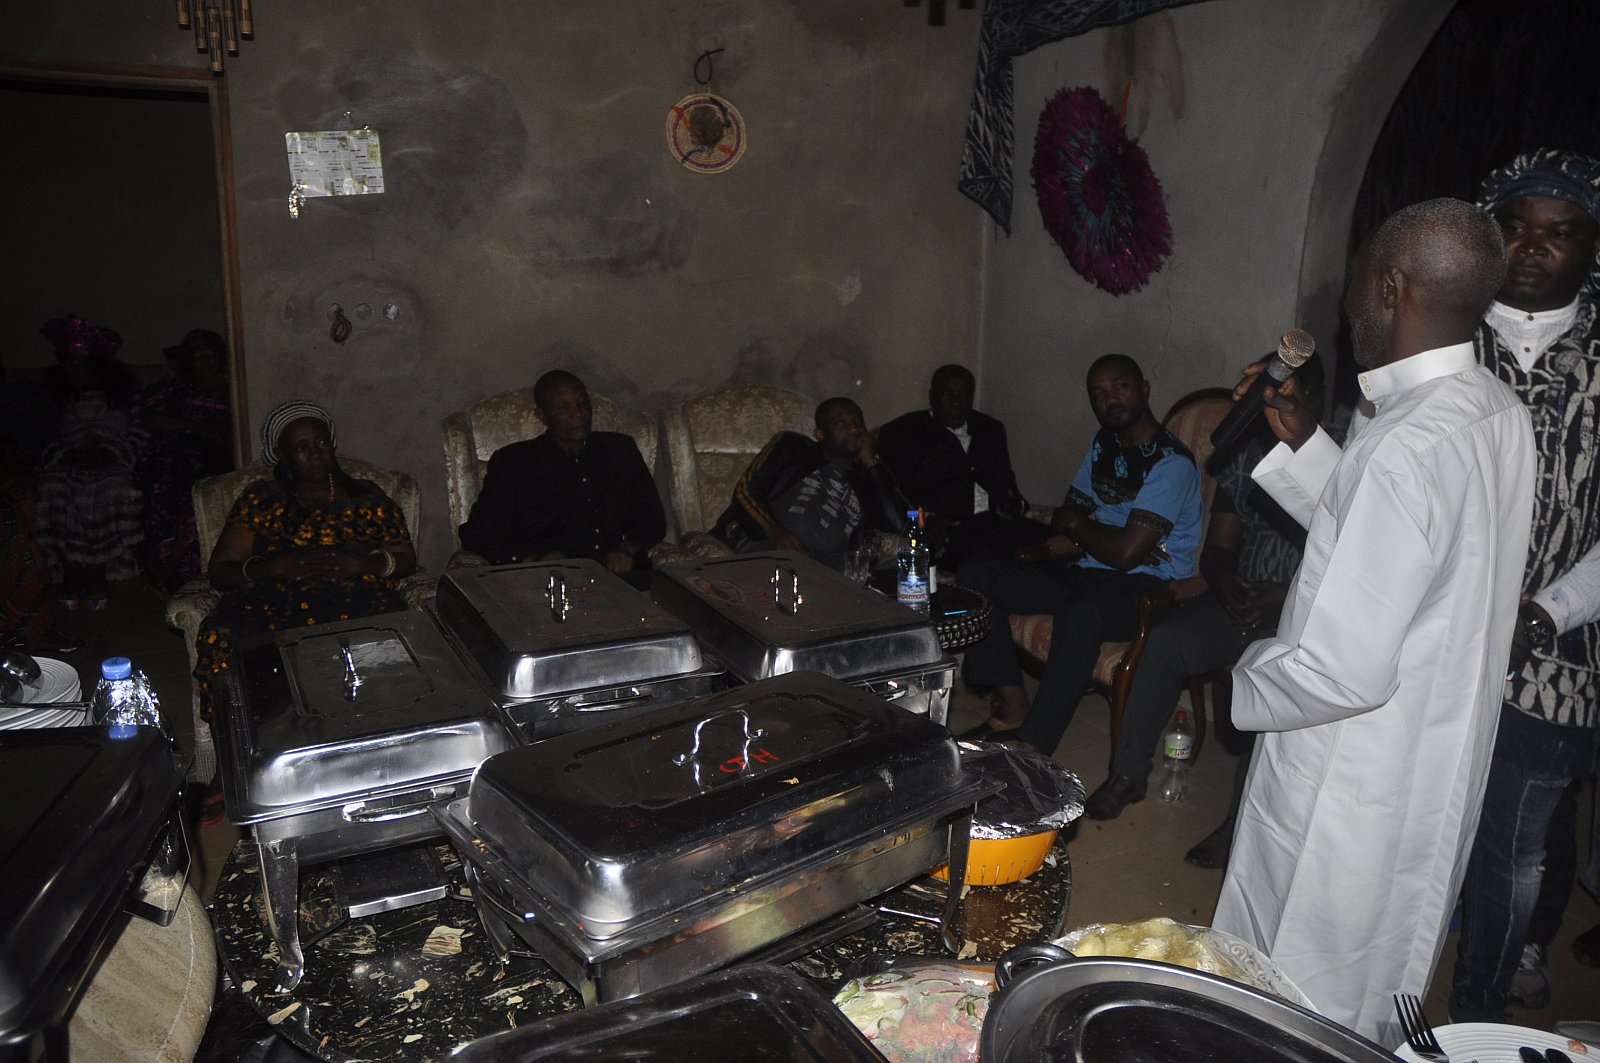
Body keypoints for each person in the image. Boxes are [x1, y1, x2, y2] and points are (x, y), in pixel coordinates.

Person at [1211, 198, 1534, 1044]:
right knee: (1380, 965)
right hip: (1431, 752)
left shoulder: (1402, 444)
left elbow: (1339, 670)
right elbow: (1397, 553)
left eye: (1355, 283)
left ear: (1391, 287)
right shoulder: (1495, 409)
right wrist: (1301, 441)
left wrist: (1242, 681)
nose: (1347, 305)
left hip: (1352, 768)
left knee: (1299, 980)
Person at [1450, 149, 1600, 1022]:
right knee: (1424, 823)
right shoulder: (1441, 338)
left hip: (1559, 651)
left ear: (1592, 245)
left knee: (1516, 844)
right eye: (1515, 226)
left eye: (1561, 231)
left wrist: (1542, 613)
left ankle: (1477, 1011)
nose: (1534, 246)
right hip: (1435, 634)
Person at [1082, 357, 1322, 822]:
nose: (1284, 405)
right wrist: (1227, 585)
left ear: (1317, 398)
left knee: (1272, 677)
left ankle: (1238, 825)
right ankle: (1127, 774)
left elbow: (1353, 567)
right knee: (1165, 641)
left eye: (1298, 395)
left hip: (1306, 611)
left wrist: (1283, 598)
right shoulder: (1251, 455)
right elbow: (1219, 548)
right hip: (1242, 598)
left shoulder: (1344, 462)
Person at [955, 354, 1203, 755]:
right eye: (1098, 394)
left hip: (1147, 587)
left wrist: (1081, 528)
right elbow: (1065, 517)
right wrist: (1085, 530)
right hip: (1088, 569)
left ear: (1144, 388)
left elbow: (1125, 554)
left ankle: (1034, 745)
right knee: (976, 573)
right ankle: (1014, 706)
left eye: (1120, 386)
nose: (1110, 400)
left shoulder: (1171, 463)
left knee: (1082, 610)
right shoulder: (1104, 443)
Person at [195, 401, 416, 721]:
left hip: (357, 598)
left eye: (321, 442)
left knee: (389, 631)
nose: (315, 453)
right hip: (276, 601)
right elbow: (221, 570)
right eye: (301, 447)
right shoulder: (263, 498)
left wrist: (362, 565)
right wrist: (273, 567)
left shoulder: (366, 495)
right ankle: (251, 741)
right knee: (223, 635)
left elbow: (405, 558)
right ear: (282, 455)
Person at [458, 371, 666, 588]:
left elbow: (652, 518)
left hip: (621, 578)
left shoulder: (620, 450)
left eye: (582, 403)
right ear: (542, 416)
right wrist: (533, 557)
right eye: (563, 407)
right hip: (548, 582)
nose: (578, 414)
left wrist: (627, 548)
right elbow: (478, 531)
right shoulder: (514, 463)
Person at [710, 396, 909, 571]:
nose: (854, 429)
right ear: (820, 434)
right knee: (786, 572)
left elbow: (899, 524)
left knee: (911, 557)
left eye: (858, 423)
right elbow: (746, 491)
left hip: (830, 560)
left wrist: (871, 463)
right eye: (842, 425)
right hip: (770, 540)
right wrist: (775, 532)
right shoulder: (794, 447)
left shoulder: (870, 474)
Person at [877, 364, 1046, 568]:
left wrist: (1013, 504)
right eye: (948, 393)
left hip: (998, 523)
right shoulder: (904, 433)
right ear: (932, 396)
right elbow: (896, 495)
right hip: (951, 528)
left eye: (963, 394)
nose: (956, 401)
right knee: (987, 559)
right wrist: (926, 520)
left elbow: (1009, 486)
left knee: (1052, 542)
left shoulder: (990, 429)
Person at [33, 314, 147, 612]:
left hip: (113, 460)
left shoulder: (127, 395)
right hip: (68, 459)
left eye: (78, 364)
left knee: (112, 486)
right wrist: (66, 454)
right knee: (54, 484)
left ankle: (97, 569)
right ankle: (71, 569)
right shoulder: (59, 398)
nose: (71, 370)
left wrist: (111, 452)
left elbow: (140, 432)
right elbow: (44, 437)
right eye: (66, 363)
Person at [135, 328, 233, 595]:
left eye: (209, 356)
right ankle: (163, 570)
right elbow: (152, 418)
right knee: (163, 493)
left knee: (199, 499)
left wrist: (216, 434)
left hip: (214, 461)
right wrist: (197, 426)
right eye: (197, 357)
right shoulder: (175, 388)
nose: (204, 363)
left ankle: (169, 571)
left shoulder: (233, 389)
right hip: (171, 460)